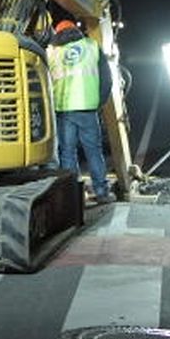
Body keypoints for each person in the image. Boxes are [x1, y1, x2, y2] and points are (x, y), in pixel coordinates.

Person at [47, 18, 115, 205]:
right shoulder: (91, 46)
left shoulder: (52, 52)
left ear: (57, 33)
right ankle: (101, 192)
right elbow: (107, 80)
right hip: (87, 109)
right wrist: (98, 102)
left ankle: (72, 197)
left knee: (67, 153)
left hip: (63, 110)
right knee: (93, 151)